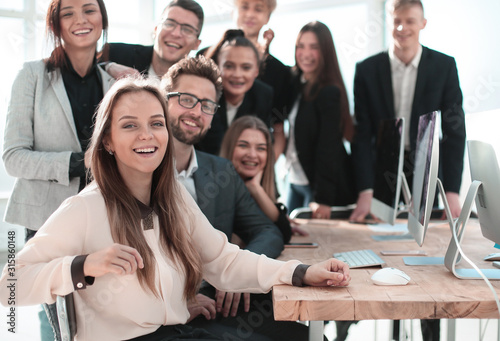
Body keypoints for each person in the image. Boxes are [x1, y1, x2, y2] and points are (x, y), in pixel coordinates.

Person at [0, 76, 351, 341]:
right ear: (107, 140)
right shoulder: (84, 208)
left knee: (294, 333)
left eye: (156, 123)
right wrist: (84, 265)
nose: (147, 135)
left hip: (176, 331)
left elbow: (222, 260)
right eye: (129, 126)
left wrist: (301, 272)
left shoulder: (173, 198)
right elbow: (8, 286)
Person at [162, 56, 314, 340]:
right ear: (163, 100)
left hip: (220, 303)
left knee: (307, 336)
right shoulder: (141, 170)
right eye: (186, 99)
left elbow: (268, 230)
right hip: (165, 317)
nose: (196, 111)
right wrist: (174, 300)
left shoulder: (221, 171)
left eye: (206, 105)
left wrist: (237, 273)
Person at [348, 1, 466, 340]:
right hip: (385, 165)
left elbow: (454, 129)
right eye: (396, 21)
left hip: (428, 166)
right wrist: (366, 189)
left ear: (423, 23)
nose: (402, 28)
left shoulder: (444, 65)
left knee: (426, 247)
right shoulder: (367, 68)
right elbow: (362, 134)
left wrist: (454, 188)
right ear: (390, 21)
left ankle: (430, 330)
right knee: (382, 247)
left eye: (409, 21)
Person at [2, 0, 113, 339]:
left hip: (102, 219)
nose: (80, 19)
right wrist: (78, 163)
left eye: (89, 10)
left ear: (102, 19)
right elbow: (13, 156)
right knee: (58, 317)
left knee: (96, 315)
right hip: (46, 220)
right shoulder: (32, 76)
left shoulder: (113, 84)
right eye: (68, 13)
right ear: (56, 25)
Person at [276, 21, 355, 219]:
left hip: (317, 187)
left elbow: (328, 148)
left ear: (325, 52)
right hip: (294, 179)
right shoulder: (297, 84)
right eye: (300, 46)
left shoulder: (329, 92)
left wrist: (324, 199)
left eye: (314, 47)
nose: (306, 54)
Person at [220, 116, 308, 243]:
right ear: (230, 148)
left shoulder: (258, 187)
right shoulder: (215, 191)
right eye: (243, 145)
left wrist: (255, 188)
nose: (252, 155)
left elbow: (283, 233)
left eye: (261, 148)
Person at [197, 29, 273, 155]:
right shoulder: (204, 94)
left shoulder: (263, 95)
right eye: (229, 66)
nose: (237, 75)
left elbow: (263, 143)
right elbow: (212, 147)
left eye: (246, 68)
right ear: (217, 67)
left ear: (256, 71)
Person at [105, 0, 203, 78]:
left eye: (187, 29)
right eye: (169, 24)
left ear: (196, 44)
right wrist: (107, 67)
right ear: (155, 30)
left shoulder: (199, 83)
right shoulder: (115, 54)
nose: (175, 33)